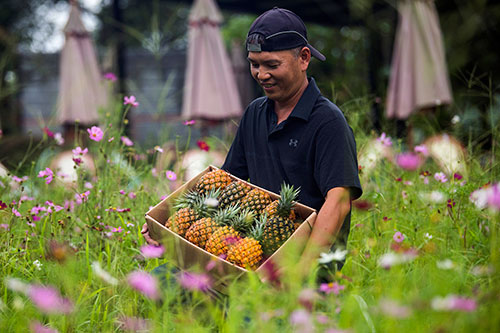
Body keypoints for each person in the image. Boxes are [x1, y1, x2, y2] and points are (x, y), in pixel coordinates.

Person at [142, 7, 362, 282]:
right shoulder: (255, 113)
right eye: (254, 64)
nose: (261, 74)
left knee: (245, 320)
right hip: (250, 257)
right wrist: (172, 226)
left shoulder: (328, 122)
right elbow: (224, 183)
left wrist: (299, 273)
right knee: (161, 281)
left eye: (271, 65)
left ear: (304, 58)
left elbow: (338, 202)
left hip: (306, 264)